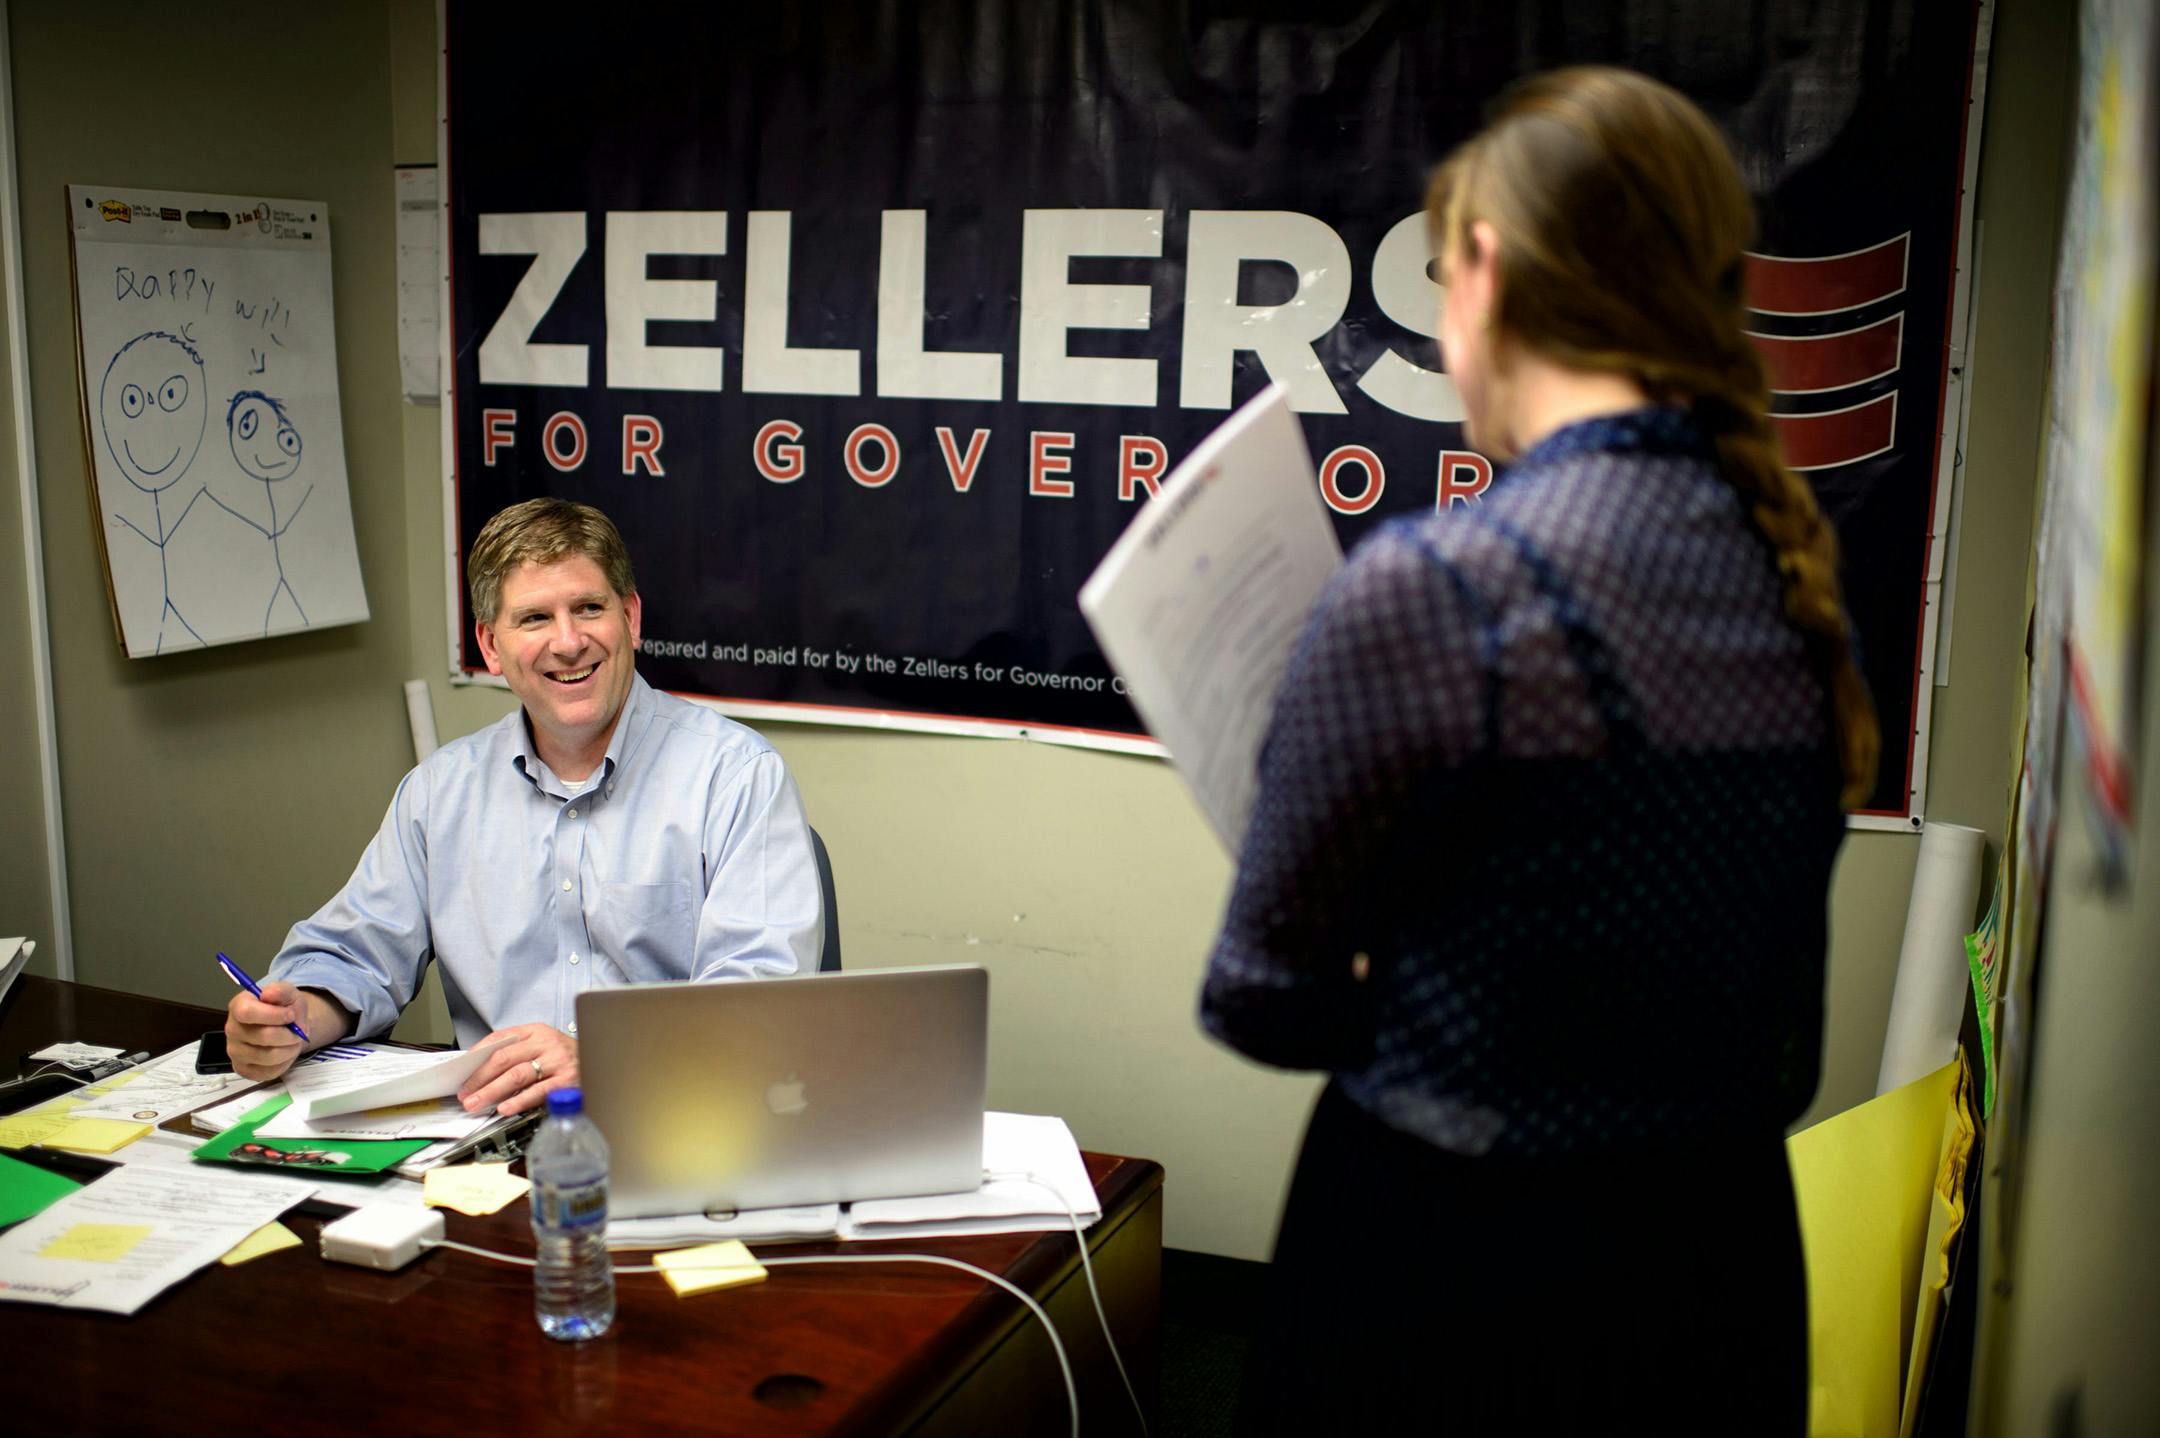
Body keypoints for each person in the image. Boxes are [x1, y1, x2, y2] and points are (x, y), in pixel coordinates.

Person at [1198, 67, 1878, 1434]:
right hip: (1721, 1277)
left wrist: (1395, 964)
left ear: (1487, 271)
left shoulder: (1440, 586)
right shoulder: (1785, 564)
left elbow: (1260, 993)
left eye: (1442, 279)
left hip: (1452, 1288)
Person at [225, 499, 824, 1115]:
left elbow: (759, 997)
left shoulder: (735, 775)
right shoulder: (439, 793)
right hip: (489, 1134)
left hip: (676, 1114)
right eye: (534, 618)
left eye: (589, 608)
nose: (568, 643)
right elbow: (354, 955)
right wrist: (294, 1018)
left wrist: (602, 1057)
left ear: (631, 617)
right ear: (490, 645)